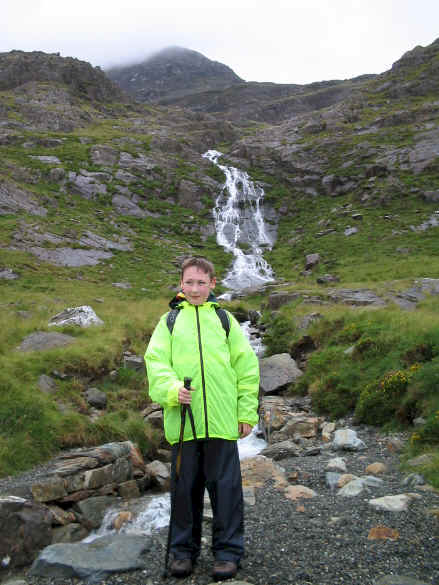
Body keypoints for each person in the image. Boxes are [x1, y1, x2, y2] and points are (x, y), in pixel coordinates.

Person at [144, 256, 259, 580]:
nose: (195, 288)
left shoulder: (225, 321)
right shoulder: (168, 322)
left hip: (222, 424)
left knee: (226, 492)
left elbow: (246, 367)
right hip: (184, 423)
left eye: (201, 282)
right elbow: (155, 363)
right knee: (184, 492)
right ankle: (182, 553)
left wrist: (246, 412)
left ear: (213, 283)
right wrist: (172, 390)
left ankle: (227, 553)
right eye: (189, 282)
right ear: (181, 284)